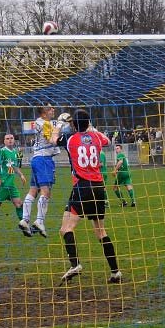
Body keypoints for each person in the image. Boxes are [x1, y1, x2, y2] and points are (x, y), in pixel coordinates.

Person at [58, 109, 122, 285]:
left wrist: (59, 123)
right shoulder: (96, 138)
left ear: (73, 124)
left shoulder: (70, 139)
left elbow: (52, 140)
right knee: (101, 231)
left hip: (82, 186)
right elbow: (107, 140)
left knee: (66, 229)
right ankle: (115, 271)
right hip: (99, 187)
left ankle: (75, 264)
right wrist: (91, 127)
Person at [18, 105, 66, 238]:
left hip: (36, 159)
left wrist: (59, 125)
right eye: (51, 109)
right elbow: (52, 140)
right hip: (44, 160)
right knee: (46, 192)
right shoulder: (45, 124)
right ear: (44, 112)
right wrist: (61, 125)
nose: (53, 110)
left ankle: (25, 220)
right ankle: (39, 221)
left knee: (33, 190)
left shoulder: (42, 123)